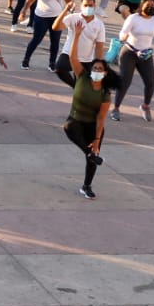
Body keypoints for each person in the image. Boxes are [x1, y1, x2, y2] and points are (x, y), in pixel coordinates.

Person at [111, 0, 154, 121]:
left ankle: (145, 106)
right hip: (129, 53)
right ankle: (116, 108)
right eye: (148, 5)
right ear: (141, 6)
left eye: (153, 5)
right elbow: (122, 33)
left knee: (150, 83)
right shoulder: (134, 18)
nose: (151, 7)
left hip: (145, 55)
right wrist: (123, 36)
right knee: (125, 82)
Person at [64, 53, 111, 200]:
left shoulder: (105, 92)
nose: (97, 71)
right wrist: (76, 35)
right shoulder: (82, 77)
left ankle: (87, 186)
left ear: (105, 73)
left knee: (93, 153)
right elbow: (72, 58)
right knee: (68, 127)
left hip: (93, 124)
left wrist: (97, 139)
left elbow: (101, 116)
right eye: (95, 68)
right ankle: (89, 153)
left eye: (100, 69)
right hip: (76, 120)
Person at [20, 0, 73, 71]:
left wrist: (71, 8)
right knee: (36, 39)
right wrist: (23, 11)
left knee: (55, 41)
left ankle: (52, 63)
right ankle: (26, 60)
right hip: (42, 17)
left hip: (57, 17)